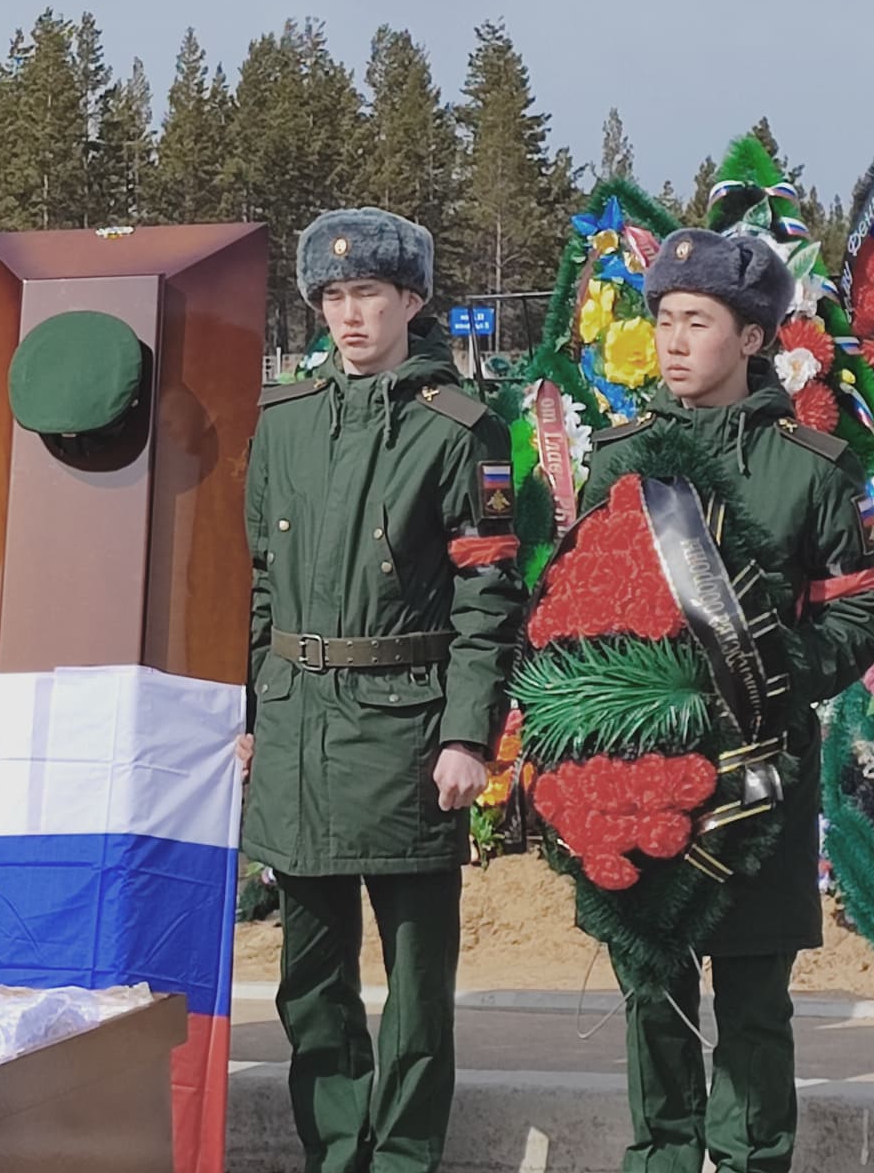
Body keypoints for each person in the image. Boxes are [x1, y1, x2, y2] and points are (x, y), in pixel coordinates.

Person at [581, 229, 874, 1173]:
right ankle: (662, 1158)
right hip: (639, 780)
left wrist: (772, 672)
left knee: (754, 1005)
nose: (673, 341)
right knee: (653, 997)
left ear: (754, 338)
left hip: (758, 779)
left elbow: (862, 610)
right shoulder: (619, 459)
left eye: (698, 322)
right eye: (665, 319)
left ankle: (754, 1158)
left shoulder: (810, 466)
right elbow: (573, 615)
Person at [241, 207, 526, 1173]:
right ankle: (334, 1152)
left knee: (414, 988)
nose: (348, 315)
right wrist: (252, 713)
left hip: (407, 728)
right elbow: (258, 585)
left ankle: (403, 1158)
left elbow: (491, 592)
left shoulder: (466, 431)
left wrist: (467, 734)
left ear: (412, 299)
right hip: (297, 730)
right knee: (310, 983)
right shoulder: (280, 423)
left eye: (368, 294)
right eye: (331, 296)